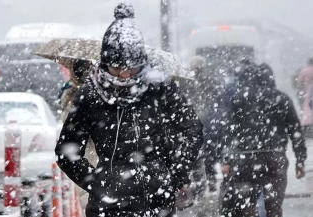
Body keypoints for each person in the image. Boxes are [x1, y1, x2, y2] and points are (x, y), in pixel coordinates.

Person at [55, 3, 204, 217]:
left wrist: (176, 173)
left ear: (141, 64)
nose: (124, 76)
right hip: (108, 207)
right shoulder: (91, 95)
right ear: (105, 64)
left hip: (157, 202)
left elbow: (192, 129)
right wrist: (98, 184)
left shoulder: (159, 88)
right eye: (117, 68)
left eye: (131, 68)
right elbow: (66, 152)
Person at [220, 61, 307, 217]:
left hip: (245, 158)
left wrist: (226, 159)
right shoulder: (282, 98)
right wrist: (300, 160)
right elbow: (295, 130)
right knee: (274, 206)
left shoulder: (239, 98)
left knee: (246, 205)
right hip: (275, 157)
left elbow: (228, 131)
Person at [187, 56, 221, 196]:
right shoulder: (211, 78)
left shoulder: (188, 80)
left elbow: (186, 98)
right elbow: (217, 98)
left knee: (197, 154)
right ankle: (211, 181)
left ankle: (200, 185)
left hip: (195, 121)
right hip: (209, 121)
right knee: (210, 152)